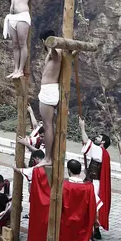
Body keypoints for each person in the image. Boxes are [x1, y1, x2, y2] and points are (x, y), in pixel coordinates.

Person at [1, 0, 59, 79]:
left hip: (22, 16)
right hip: (12, 17)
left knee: (22, 44)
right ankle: (15, 69)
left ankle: (21, 70)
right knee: (15, 45)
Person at [35, 30, 70, 168]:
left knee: (48, 125)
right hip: (50, 89)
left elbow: (56, 55)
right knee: (49, 125)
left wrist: (52, 45)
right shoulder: (55, 51)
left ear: (44, 41)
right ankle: (49, 156)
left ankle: (48, 158)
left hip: (49, 90)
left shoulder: (56, 51)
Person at [79, 116, 112, 241]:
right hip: (92, 180)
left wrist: (82, 127)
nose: (96, 138)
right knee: (93, 207)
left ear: (103, 142)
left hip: (93, 183)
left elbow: (86, 140)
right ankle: (96, 230)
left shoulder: (99, 150)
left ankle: (91, 235)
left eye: (99, 137)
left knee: (90, 207)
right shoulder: (101, 152)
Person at [10, 150, 48, 241]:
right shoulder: (50, 166)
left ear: (36, 159)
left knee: (38, 225)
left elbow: (24, 171)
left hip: (39, 201)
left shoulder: (37, 170)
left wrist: (15, 168)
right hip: (49, 201)